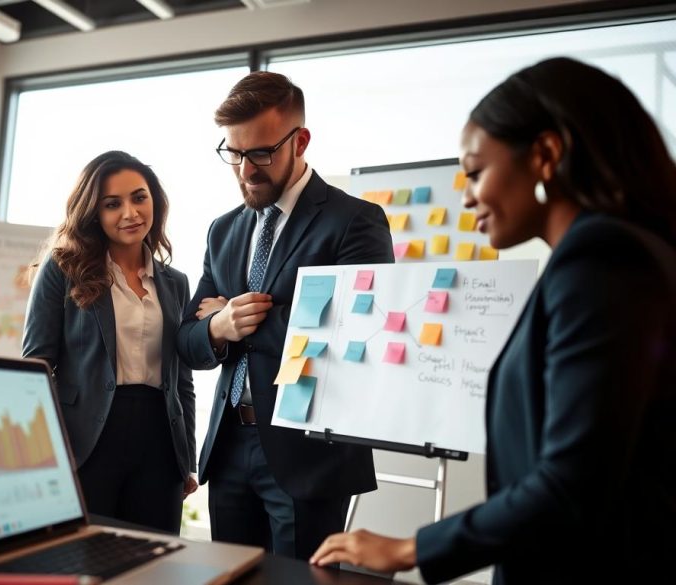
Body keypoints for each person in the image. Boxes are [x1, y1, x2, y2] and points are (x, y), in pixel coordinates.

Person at [310, 57, 676, 584]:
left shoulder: (601, 260)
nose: (465, 195)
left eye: (476, 172)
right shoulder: (613, 255)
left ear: (546, 155)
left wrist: (411, 548)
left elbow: (572, 480)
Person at [177, 71, 394, 560]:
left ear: (301, 141)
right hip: (229, 445)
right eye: (233, 153)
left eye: (261, 153)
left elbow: (353, 338)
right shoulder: (223, 231)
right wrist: (217, 326)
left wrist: (241, 318)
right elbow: (188, 342)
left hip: (309, 454)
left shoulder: (354, 221)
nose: (245, 171)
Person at [22, 151, 197, 533]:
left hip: (160, 440)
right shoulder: (63, 269)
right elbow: (34, 367)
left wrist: (188, 460)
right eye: (112, 204)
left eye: (139, 197)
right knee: (85, 555)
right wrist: (44, 455)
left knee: (154, 558)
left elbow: (182, 378)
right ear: (93, 213)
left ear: (155, 201)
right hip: (86, 440)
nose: (130, 213)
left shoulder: (176, 283)